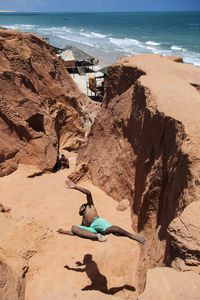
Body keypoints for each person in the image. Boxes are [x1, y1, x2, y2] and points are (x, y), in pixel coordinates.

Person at [58, 178, 146, 244]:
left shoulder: (90, 205)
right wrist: (63, 232)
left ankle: (132, 236)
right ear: (80, 213)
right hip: (91, 230)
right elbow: (76, 233)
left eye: (81, 206)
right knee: (74, 228)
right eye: (80, 209)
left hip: (98, 222)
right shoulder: (83, 222)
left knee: (111, 229)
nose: (81, 208)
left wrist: (75, 187)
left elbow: (88, 193)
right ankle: (97, 237)